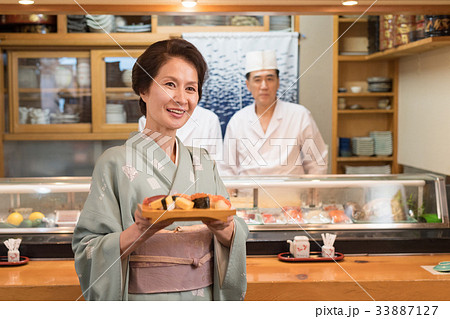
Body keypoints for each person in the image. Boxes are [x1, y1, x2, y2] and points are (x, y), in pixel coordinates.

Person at [72, 39, 248, 301]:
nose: (181, 98)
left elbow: (236, 232)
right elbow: (88, 247)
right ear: (143, 89)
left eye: (191, 88)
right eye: (169, 84)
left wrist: (223, 227)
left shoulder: (203, 162)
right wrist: (140, 231)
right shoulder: (114, 162)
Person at [221, 50, 328, 176]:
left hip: (291, 193)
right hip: (248, 194)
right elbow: (227, 169)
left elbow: (317, 163)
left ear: (278, 82)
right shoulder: (238, 120)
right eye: (257, 80)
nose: (264, 86)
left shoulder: (299, 115)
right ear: (248, 85)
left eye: (270, 79)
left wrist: (311, 194)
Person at [138, 106, 223, 164]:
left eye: (189, 88)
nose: (181, 97)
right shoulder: (146, 120)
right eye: (171, 85)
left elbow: (217, 165)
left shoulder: (209, 119)